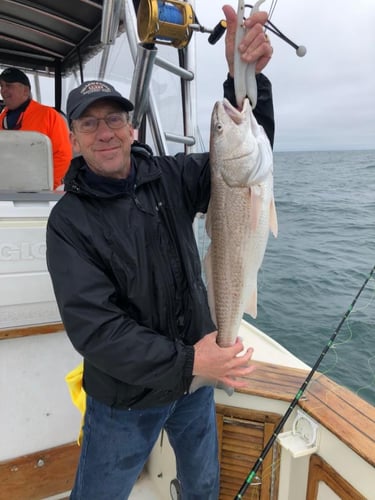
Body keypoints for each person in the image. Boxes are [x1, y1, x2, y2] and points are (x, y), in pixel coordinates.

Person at [46, 6, 274, 499]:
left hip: (195, 385)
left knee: (203, 485)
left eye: (114, 119)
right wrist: (193, 362)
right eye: (89, 124)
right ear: (74, 138)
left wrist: (245, 74)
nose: (104, 132)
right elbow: (97, 330)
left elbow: (243, 162)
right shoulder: (67, 222)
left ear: (132, 128)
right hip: (124, 400)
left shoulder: (168, 176)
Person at [0, 67, 72, 189]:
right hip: (5, 190)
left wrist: (47, 187)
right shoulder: (1, 118)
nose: (3, 91)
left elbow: (63, 155)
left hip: (40, 192)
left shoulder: (49, 115)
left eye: (9, 85)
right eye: (1, 86)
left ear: (26, 91)